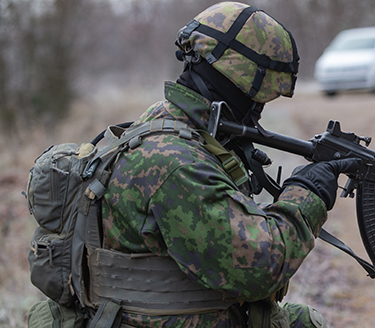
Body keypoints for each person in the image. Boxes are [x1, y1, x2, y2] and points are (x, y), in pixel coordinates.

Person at [95, 2, 358, 328]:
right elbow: (262, 267)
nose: (259, 110)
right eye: (259, 99)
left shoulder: (163, 121)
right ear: (239, 82)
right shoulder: (176, 165)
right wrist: (307, 193)